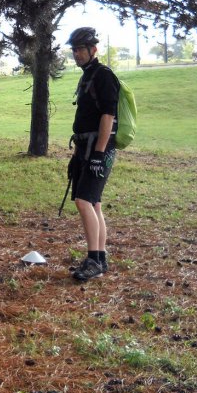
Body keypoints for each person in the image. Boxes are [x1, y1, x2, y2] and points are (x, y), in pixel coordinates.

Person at [66, 27, 120, 282]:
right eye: (74, 49)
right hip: (85, 147)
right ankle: (99, 258)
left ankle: (93, 261)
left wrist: (98, 155)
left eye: (80, 49)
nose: (76, 54)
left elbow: (109, 116)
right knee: (94, 202)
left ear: (93, 50)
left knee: (83, 200)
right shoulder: (88, 75)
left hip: (98, 148)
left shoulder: (103, 75)